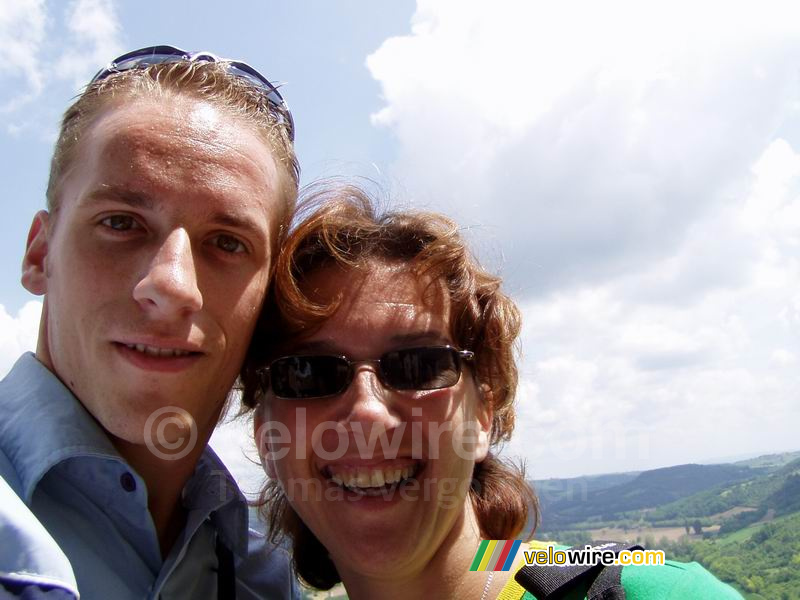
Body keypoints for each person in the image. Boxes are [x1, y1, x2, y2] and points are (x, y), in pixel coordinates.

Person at [242, 184, 744, 599]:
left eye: (419, 366)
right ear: (267, 436)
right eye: (307, 373)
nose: (367, 412)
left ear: (483, 414)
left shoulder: (651, 592)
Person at [0, 45, 300, 599]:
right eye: (121, 222)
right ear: (40, 254)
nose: (173, 285)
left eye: (228, 243)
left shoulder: (264, 573)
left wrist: (509, 571)